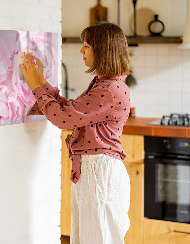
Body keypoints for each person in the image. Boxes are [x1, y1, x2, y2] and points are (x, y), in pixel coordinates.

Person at [20, 22, 132, 244]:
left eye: (87, 45)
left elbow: (63, 119)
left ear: (103, 50)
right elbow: (71, 111)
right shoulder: (105, 84)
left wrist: (35, 86)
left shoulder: (109, 89)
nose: (81, 50)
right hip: (95, 171)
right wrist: (41, 81)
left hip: (100, 173)